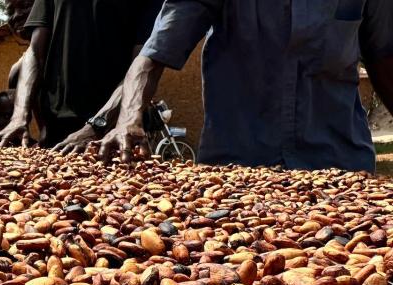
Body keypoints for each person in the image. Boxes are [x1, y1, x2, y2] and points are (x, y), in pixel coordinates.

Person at [98, 0, 393, 172]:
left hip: (340, 167)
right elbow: (154, 54)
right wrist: (128, 117)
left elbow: (385, 62)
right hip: (238, 169)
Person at [0, 0, 164, 150]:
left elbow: (142, 65)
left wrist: (96, 126)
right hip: (56, 134)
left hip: (113, 135)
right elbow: (35, 53)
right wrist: (19, 116)